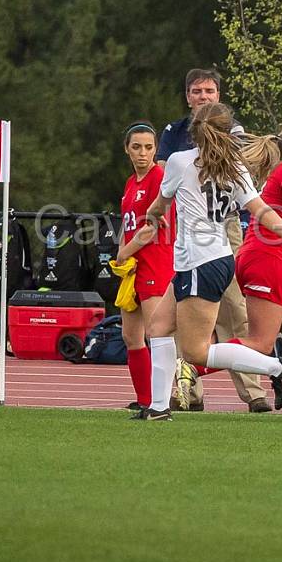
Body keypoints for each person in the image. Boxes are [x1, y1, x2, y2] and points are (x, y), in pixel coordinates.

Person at [135, 103, 282, 421]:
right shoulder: (233, 165)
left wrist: (151, 217)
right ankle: (157, 408)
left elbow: (161, 202)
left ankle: (277, 367)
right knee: (158, 328)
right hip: (214, 258)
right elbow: (262, 209)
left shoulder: (181, 162)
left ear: (194, 130)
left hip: (199, 261)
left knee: (195, 351)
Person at [179, 122, 282, 423]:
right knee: (262, 343)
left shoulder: (280, 172)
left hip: (265, 262)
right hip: (263, 261)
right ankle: (193, 365)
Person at [156, 68, 269, 413]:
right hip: (186, 227)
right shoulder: (175, 133)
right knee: (172, 322)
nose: (203, 96)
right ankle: (184, 392)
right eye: (196, 90)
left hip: (222, 228)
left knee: (235, 311)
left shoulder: (230, 132)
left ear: (218, 94)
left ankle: (255, 387)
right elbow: (166, 179)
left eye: (209, 90)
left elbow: (244, 184)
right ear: (187, 96)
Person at [112, 122, 176, 412]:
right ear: (127, 149)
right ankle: (145, 399)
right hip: (134, 266)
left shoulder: (159, 177)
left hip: (155, 262)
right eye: (136, 147)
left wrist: (125, 251)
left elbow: (152, 227)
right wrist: (121, 255)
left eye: (149, 147)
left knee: (158, 332)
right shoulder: (130, 183)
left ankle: (163, 400)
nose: (143, 153)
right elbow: (129, 226)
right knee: (131, 335)